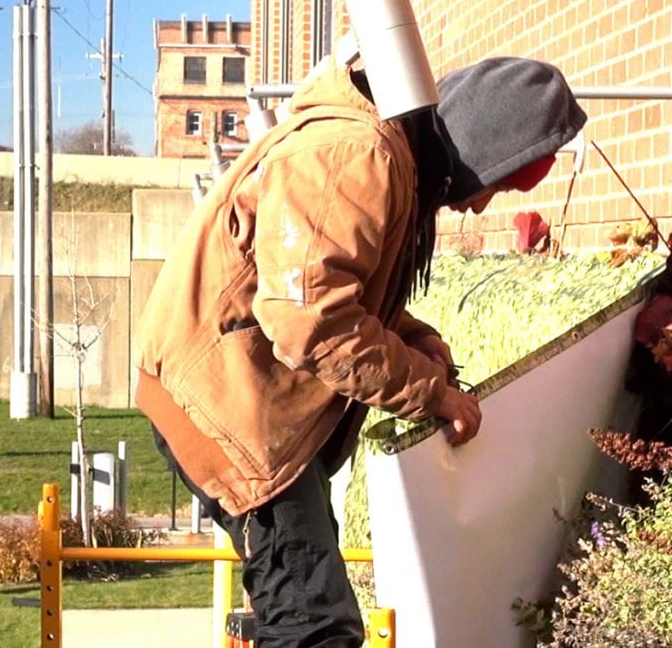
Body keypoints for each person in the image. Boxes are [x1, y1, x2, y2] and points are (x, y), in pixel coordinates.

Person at [134, 55, 586, 646]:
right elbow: (309, 323)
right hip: (229, 413)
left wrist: (420, 344)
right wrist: (428, 392)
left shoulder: (389, 154)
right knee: (315, 629)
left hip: (251, 409)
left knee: (298, 615)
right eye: (498, 183)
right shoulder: (356, 156)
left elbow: (337, 295)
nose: (482, 205)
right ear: (483, 147)